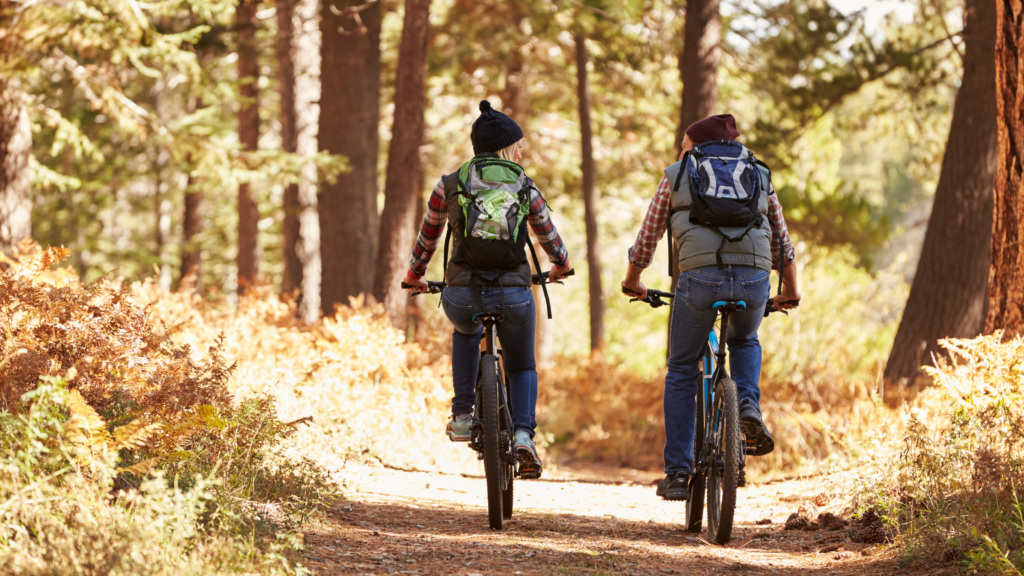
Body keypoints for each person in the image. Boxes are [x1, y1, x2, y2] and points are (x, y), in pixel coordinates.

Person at [620, 114, 801, 501]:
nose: (680, 151)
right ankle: (748, 405)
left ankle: (679, 474)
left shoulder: (677, 173)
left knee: (683, 368)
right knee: (745, 339)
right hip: (754, 280)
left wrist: (633, 279)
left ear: (697, 145)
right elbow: (781, 240)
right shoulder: (759, 173)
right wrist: (790, 290)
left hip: (699, 279)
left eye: (683, 145)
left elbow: (649, 234)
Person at [404, 100, 572, 479]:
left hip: (462, 291)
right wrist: (560, 265)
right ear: (506, 147)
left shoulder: (451, 183)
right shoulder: (523, 184)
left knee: (465, 329)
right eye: (518, 144)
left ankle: (462, 416)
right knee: (522, 364)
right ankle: (525, 434)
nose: (522, 151)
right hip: (514, 292)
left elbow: (427, 239)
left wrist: (415, 274)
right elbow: (548, 235)